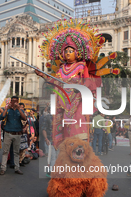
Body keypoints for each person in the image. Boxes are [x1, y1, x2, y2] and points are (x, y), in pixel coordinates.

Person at [35, 19, 119, 149]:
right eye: (66, 51)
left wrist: (79, 89)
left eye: (71, 51)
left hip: (78, 100)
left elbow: (87, 81)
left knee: (78, 130)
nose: (68, 53)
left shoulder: (81, 66)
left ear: (77, 52)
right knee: (66, 131)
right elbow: (54, 82)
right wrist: (43, 75)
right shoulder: (62, 69)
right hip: (64, 103)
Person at [0, 96, 27, 175]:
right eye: (12, 101)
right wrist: (6, 109)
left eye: (15, 101)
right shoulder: (7, 110)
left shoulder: (20, 110)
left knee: (16, 152)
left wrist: (18, 109)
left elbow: (25, 118)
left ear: (17, 102)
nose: (14, 102)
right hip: (8, 133)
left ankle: (17, 168)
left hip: (17, 134)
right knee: (5, 151)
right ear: (10, 101)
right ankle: (3, 168)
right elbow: (2, 117)